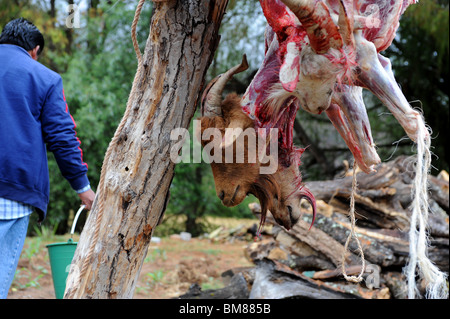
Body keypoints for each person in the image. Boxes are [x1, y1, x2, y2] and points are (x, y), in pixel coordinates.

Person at [0, 18, 96, 299]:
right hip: (10, 195)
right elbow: (63, 137)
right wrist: (83, 188)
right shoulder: (44, 78)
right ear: (34, 50)